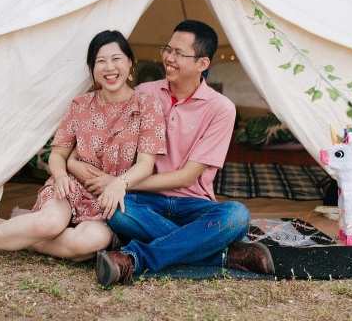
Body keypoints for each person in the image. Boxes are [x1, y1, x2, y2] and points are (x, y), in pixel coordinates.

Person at [0, 30, 167, 264]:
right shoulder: (80, 104)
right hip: (71, 186)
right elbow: (58, 154)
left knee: (89, 244)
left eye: (116, 59)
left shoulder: (147, 105)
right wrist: (60, 176)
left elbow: (146, 164)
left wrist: (118, 183)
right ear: (92, 69)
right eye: (100, 61)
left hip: (109, 197)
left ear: (130, 64)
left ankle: (16, 230)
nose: (109, 67)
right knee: (49, 224)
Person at [81, 20, 274, 285]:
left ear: (202, 64)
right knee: (115, 211)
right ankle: (221, 255)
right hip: (145, 200)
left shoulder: (221, 108)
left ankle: (136, 259)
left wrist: (119, 182)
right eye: (167, 49)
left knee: (236, 216)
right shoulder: (144, 93)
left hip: (194, 204)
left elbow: (186, 177)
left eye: (178, 54)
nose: (168, 58)